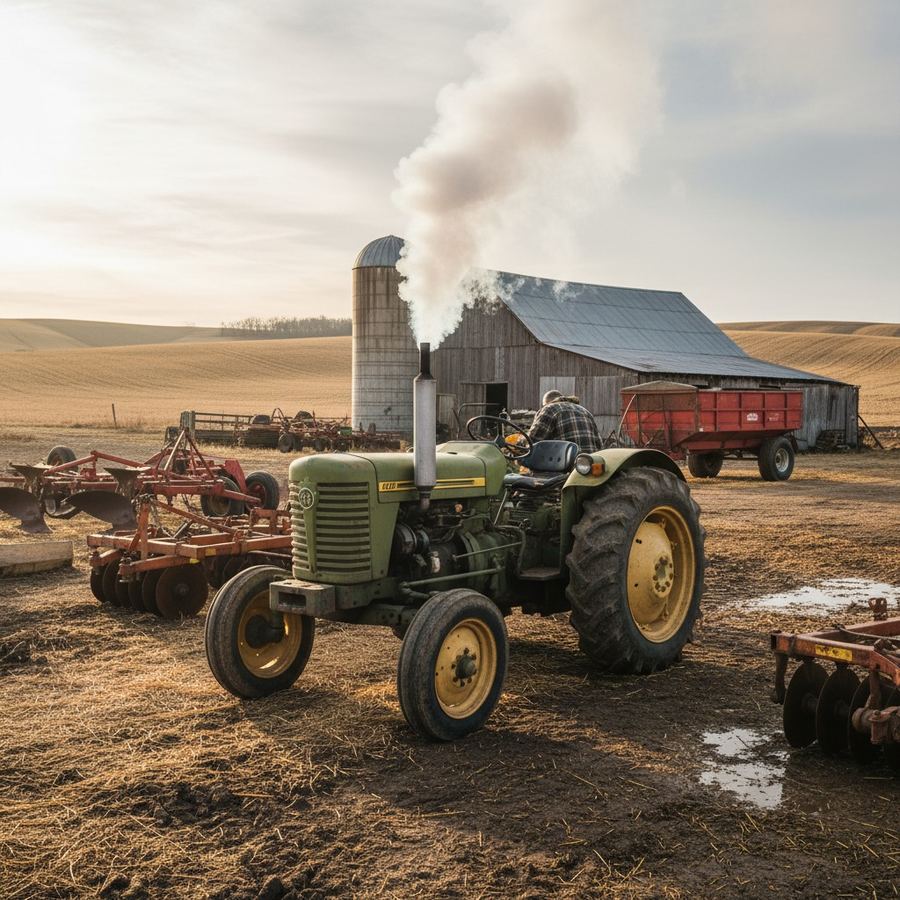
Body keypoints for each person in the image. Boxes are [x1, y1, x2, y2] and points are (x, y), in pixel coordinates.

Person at [527, 389, 602, 453]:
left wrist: (518, 444)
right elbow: (599, 444)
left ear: (548, 402)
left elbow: (533, 439)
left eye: (543, 405)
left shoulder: (550, 409)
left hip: (565, 463)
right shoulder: (585, 411)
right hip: (588, 463)